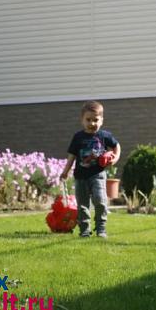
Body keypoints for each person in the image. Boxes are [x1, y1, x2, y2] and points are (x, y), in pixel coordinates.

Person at [60, 100, 121, 238]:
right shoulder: (78, 137)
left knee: (100, 200)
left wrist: (115, 158)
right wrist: (65, 171)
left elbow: (117, 146)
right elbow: (72, 156)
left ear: (102, 120)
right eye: (88, 120)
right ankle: (84, 230)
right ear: (82, 120)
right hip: (81, 176)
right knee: (82, 205)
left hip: (98, 175)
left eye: (95, 120)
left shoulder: (105, 136)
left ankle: (101, 228)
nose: (92, 123)